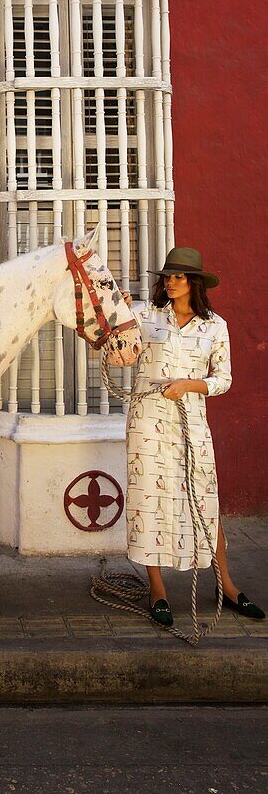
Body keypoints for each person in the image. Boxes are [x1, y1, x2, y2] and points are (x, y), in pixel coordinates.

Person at [122, 247, 264, 626]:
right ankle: (157, 588)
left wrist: (188, 384)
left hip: (192, 422)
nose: (170, 282)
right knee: (149, 500)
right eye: (167, 276)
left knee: (204, 497)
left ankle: (227, 585)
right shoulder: (144, 316)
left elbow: (224, 380)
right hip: (148, 421)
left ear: (194, 282)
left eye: (179, 277)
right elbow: (119, 355)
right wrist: (116, 320)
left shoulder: (215, 327)